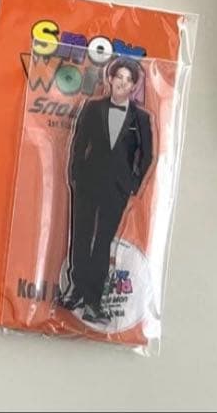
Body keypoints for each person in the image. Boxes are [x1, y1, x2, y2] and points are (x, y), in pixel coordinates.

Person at [58, 57, 153, 325]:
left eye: (128, 79)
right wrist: (75, 174)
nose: (123, 83)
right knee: (81, 235)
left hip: (117, 188)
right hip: (87, 182)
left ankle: (93, 301)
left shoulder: (141, 118)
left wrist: (133, 183)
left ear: (133, 86)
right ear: (109, 79)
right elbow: (79, 143)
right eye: (119, 77)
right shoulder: (92, 108)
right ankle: (76, 289)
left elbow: (147, 155)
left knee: (102, 243)